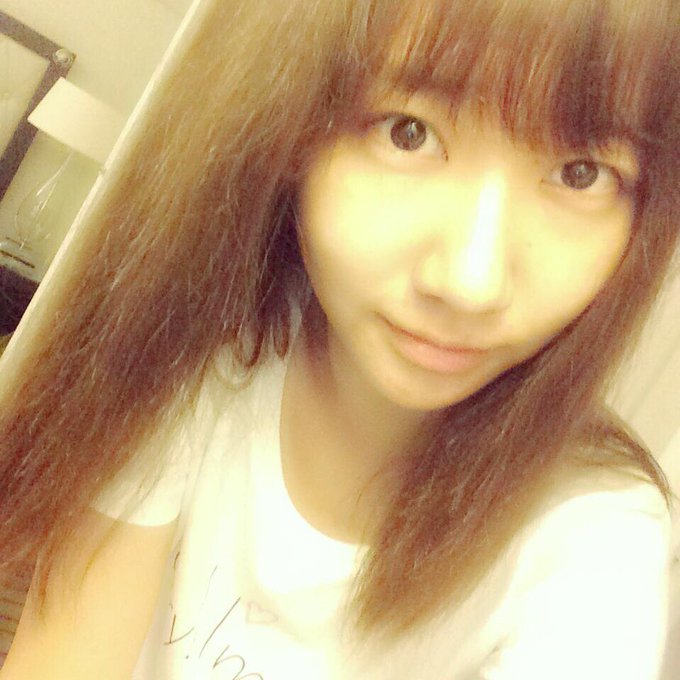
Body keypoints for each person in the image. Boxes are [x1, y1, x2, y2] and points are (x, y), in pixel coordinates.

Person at [0, 0, 679, 677]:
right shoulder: (203, 347)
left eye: (581, 173)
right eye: (408, 133)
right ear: (291, 126)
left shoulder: (597, 543)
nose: (470, 282)